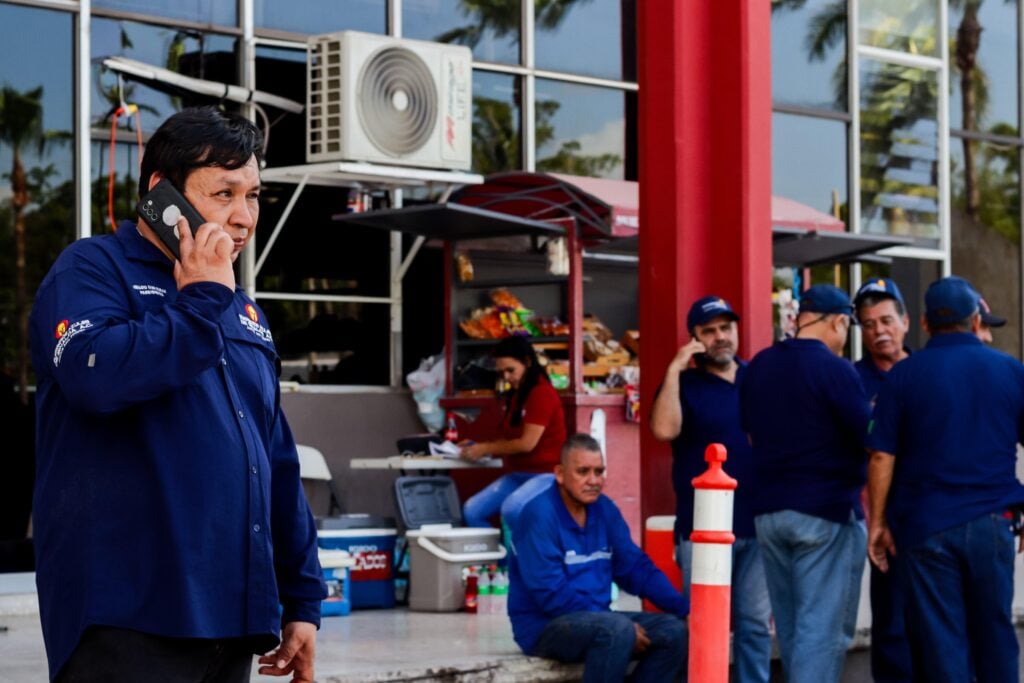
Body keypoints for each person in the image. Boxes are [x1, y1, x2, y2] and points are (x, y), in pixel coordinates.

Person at [29, 107, 326, 683]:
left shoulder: (242, 309)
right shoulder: (91, 272)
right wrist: (199, 303)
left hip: (230, 619)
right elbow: (97, 376)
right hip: (127, 615)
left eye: (255, 196)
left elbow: (273, 459)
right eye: (224, 194)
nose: (244, 218)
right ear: (162, 195)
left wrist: (302, 599)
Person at [866, 275, 1024, 682]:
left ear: (922, 324)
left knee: (941, 644)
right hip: (994, 522)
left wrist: (879, 524)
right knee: (995, 634)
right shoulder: (1010, 371)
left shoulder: (902, 376)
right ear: (976, 320)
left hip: (925, 528)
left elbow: (882, 454)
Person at [739, 284, 870, 683]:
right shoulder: (836, 369)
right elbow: (869, 434)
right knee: (821, 632)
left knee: (794, 629)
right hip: (824, 513)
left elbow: (749, 435)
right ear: (838, 322)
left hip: (768, 517)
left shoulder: (758, 365)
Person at [649, 295, 771, 683]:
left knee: (754, 624)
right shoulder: (684, 384)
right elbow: (664, 430)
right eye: (709, 331)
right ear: (695, 339)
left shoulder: (758, 377)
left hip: (757, 520)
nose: (721, 337)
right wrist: (673, 368)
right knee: (701, 621)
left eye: (726, 327)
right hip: (701, 526)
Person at [508, 433, 689, 683]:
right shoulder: (538, 516)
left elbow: (636, 568)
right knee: (616, 630)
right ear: (560, 474)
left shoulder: (604, 509)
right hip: (545, 627)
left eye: (599, 471)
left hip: (599, 621)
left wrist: (685, 610)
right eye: (583, 471)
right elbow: (550, 594)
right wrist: (612, 622)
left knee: (674, 631)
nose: (593, 480)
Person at [851, 278, 912, 683]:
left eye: (886, 320)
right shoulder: (850, 379)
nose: (879, 331)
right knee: (890, 625)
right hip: (879, 519)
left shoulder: (928, 372)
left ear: (906, 322)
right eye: (868, 324)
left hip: (929, 516)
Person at [459, 335, 567, 528]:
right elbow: (510, 439)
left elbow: (527, 443)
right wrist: (479, 447)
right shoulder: (518, 393)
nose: (507, 377)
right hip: (519, 474)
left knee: (512, 508)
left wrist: (484, 449)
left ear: (527, 362)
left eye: (510, 370)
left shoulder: (541, 393)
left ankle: (516, 558)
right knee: (472, 511)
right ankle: (499, 559)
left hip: (546, 475)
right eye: (502, 373)